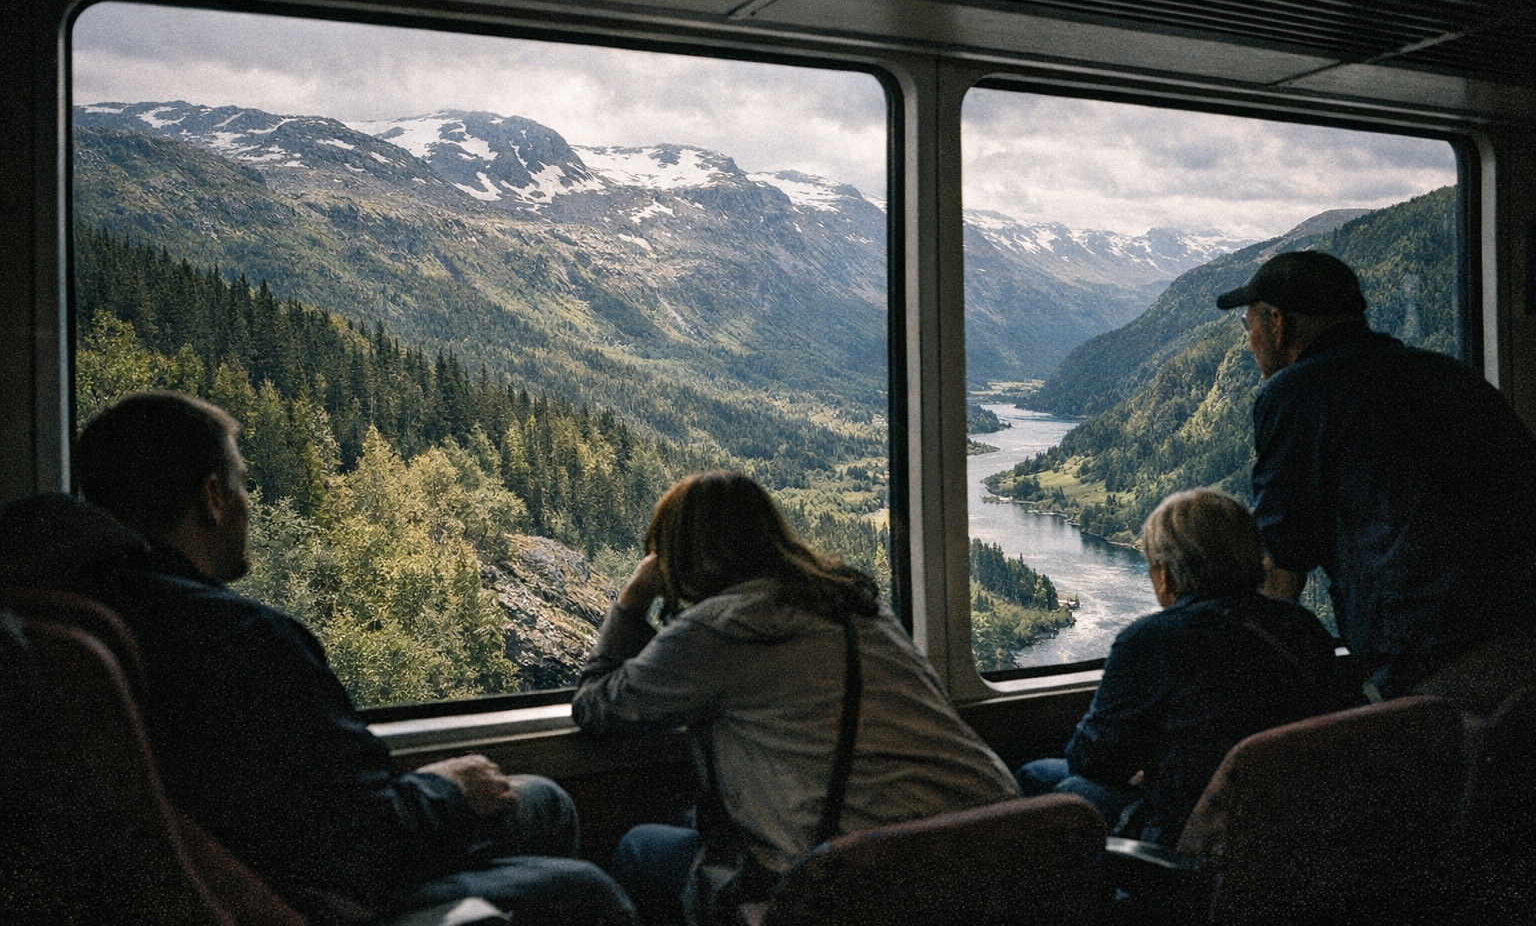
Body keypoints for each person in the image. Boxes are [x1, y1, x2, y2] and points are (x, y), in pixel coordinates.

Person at [0, 392, 636, 926]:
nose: (249, 503)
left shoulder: (63, 619)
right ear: (211, 499)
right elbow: (356, 844)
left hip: (224, 873)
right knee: (587, 891)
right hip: (302, 897)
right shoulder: (240, 639)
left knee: (543, 799)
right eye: (243, 482)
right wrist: (446, 789)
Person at [571, 470, 1018, 925]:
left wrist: (631, 599)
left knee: (641, 848)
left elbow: (595, 705)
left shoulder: (719, 628)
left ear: (674, 559)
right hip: (993, 844)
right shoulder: (857, 606)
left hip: (861, 874)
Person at [1217, 250, 1536, 703]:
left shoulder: (1296, 394)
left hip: (1429, 660)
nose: (1249, 341)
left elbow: (1281, 562)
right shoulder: (1447, 374)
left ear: (1277, 322)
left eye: (1248, 325)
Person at [1016, 489, 1356, 843]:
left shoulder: (1150, 640)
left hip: (1190, 833)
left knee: (1039, 776)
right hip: (1291, 823)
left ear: (1165, 573)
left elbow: (1091, 761)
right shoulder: (1301, 625)